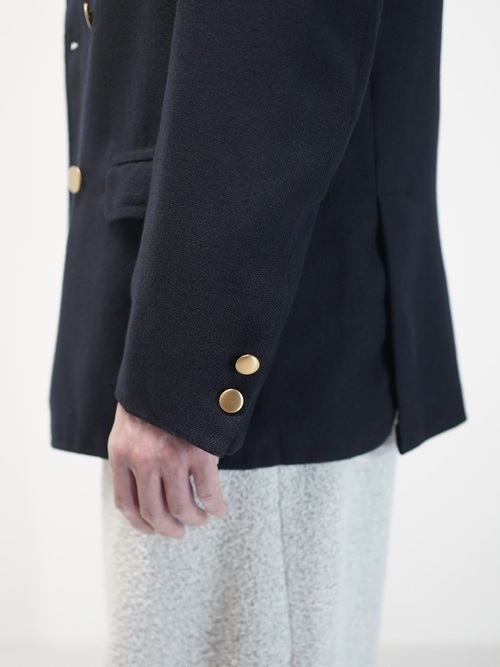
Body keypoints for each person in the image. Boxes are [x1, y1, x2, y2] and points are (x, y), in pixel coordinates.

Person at [50, 0, 466, 665]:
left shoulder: (196, 365)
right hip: (203, 307)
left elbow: (270, 39)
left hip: (238, 338)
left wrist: (185, 374)